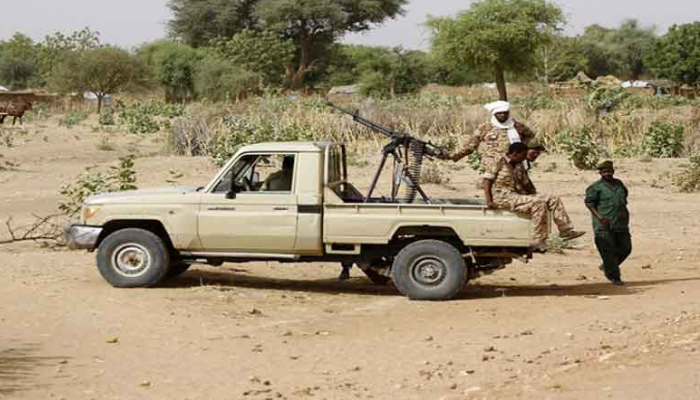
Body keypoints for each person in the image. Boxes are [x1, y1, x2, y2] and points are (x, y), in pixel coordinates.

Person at [484, 143, 585, 251]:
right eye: (523, 155)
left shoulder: (518, 164)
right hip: (503, 197)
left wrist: (534, 195)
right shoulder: (499, 161)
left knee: (552, 198)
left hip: (516, 195)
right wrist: (489, 201)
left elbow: (527, 184)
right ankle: (538, 240)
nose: (524, 158)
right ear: (515, 153)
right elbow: (487, 181)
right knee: (538, 203)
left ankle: (566, 230)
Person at [439, 101, 535, 177]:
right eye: (499, 113)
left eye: (505, 113)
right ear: (494, 114)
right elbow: (470, 146)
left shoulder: (518, 126)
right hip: (492, 166)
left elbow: (531, 138)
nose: (503, 115)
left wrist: (523, 150)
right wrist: (452, 155)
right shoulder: (485, 128)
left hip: (515, 165)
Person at [585, 161, 631, 286]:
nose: (607, 174)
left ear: (613, 171)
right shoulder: (595, 187)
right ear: (600, 173)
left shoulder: (619, 184)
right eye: (604, 172)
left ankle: (607, 266)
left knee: (626, 248)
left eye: (609, 171)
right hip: (603, 225)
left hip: (620, 223)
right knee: (608, 251)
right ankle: (614, 277)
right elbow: (589, 204)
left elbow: (624, 198)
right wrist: (600, 217)